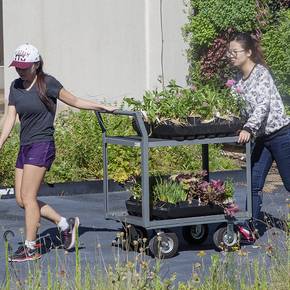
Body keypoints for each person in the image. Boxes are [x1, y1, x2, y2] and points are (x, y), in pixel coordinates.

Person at [0, 43, 116, 262]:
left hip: (42, 144)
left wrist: (102, 107)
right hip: (25, 146)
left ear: (36, 64)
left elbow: (74, 101)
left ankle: (31, 247)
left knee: (29, 197)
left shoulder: (47, 83)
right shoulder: (15, 86)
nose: (19, 70)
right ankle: (65, 224)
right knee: (21, 200)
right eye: (17, 66)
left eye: (24, 66)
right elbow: (9, 118)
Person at [227, 32, 290, 230]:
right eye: (229, 52)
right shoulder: (237, 82)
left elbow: (263, 105)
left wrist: (248, 127)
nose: (231, 55)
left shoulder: (261, 74)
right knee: (253, 184)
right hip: (262, 139)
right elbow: (234, 110)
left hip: (281, 135)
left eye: (235, 51)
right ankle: (251, 227)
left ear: (248, 52)